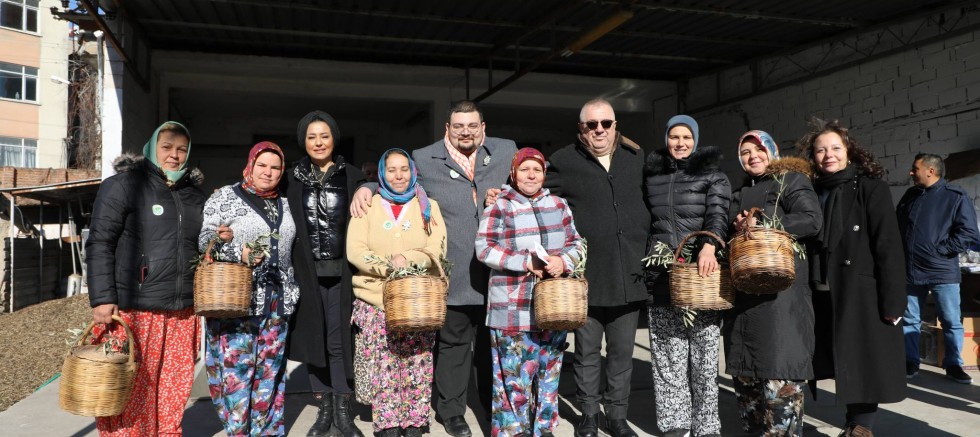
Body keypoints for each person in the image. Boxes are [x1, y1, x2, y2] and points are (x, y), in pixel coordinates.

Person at [351, 100, 517, 437]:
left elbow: (532, 177)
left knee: (491, 347)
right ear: (447, 129)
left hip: (499, 271)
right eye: (458, 126)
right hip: (453, 271)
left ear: (483, 127)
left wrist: (508, 193)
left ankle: (492, 407)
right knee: (453, 346)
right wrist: (366, 187)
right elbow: (397, 178)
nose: (466, 132)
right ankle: (452, 411)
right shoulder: (424, 157)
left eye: (472, 126)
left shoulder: (505, 150)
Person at [85, 121, 206, 436]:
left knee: (174, 386)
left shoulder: (194, 195)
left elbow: (201, 245)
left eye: (181, 149)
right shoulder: (124, 185)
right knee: (129, 388)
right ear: (153, 147)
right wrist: (102, 298)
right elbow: (99, 243)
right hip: (135, 307)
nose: (174, 155)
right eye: (167, 147)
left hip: (182, 309)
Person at [543, 98, 650, 437]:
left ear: (616, 126)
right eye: (592, 125)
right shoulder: (562, 160)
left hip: (628, 273)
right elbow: (530, 188)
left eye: (606, 123)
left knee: (621, 354)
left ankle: (616, 417)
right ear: (581, 129)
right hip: (586, 278)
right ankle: (589, 415)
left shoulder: (637, 158)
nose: (599, 130)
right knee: (587, 353)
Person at [798, 120, 907, 437]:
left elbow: (888, 246)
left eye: (834, 148)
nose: (827, 155)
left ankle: (861, 426)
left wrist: (893, 300)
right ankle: (853, 419)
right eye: (820, 150)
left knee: (862, 357)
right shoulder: (812, 191)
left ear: (848, 152)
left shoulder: (871, 188)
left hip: (859, 290)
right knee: (839, 356)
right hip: (820, 289)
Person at [475, 147, 585, 437]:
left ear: (544, 174)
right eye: (525, 169)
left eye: (537, 169)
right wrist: (526, 262)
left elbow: (576, 243)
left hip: (553, 306)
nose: (531, 175)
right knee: (513, 378)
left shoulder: (559, 205)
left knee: (549, 372)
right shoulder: (500, 205)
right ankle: (514, 431)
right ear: (513, 173)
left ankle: (544, 427)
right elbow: (484, 249)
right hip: (512, 307)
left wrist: (564, 261)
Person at [724, 130, 822, 437]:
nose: (752, 156)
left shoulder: (791, 182)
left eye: (758, 149)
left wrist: (765, 221)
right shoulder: (738, 194)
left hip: (783, 303)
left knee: (780, 391)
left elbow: (811, 219)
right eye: (745, 152)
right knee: (749, 394)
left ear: (772, 150)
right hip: (744, 302)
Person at [198, 141, 298, 436]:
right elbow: (205, 240)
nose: (268, 172)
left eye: (275, 167)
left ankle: (267, 432)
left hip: (277, 304)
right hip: (236, 303)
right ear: (250, 166)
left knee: (270, 375)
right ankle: (238, 431)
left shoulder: (287, 202)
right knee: (236, 377)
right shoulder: (225, 198)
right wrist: (234, 251)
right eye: (262, 165)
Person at [346, 148, 447, 437]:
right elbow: (355, 250)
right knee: (384, 366)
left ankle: (415, 422)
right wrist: (387, 267)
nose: (399, 175)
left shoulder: (429, 206)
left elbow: (437, 247)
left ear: (413, 172)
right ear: (382, 173)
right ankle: (388, 425)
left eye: (404, 169)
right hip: (376, 299)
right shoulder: (368, 204)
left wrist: (409, 261)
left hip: (416, 300)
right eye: (392, 170)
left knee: (418, 362)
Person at [643, 115, 730, 437]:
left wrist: (709, 246)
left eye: (686, 137)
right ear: (666, 139)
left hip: (700, 278)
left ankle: (706, 426)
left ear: (695, 140)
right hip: (662, 277)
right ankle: (674, 425)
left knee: (705, 362)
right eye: (674, 137)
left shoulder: (713, 176)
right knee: (668, 357)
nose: (680, 143)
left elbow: (719, 215)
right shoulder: (651, 177)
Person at [286, 111, 366, 437]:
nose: (318, 142)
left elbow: (379, 187)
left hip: (342, 273)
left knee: (339, 340)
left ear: (334, 138)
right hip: (307, 272)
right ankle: (324, 410)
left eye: (324, 136)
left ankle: (344, 411)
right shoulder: (289, 179)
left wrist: (369, 185)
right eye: (311, 137)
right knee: (314, 339)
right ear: (303, 142)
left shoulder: (352, 175)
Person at [897, 152, 980, 384]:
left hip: (942, 270)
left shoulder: (955, 196)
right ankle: (910, 361)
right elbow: (897, 227)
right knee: (910, 318)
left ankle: (953, 364)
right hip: (911, 270)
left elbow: (969, 233)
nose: (911, 172)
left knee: (951, 319)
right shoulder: (910, 195)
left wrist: (940, 251)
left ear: (930, 171)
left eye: (915, 168)